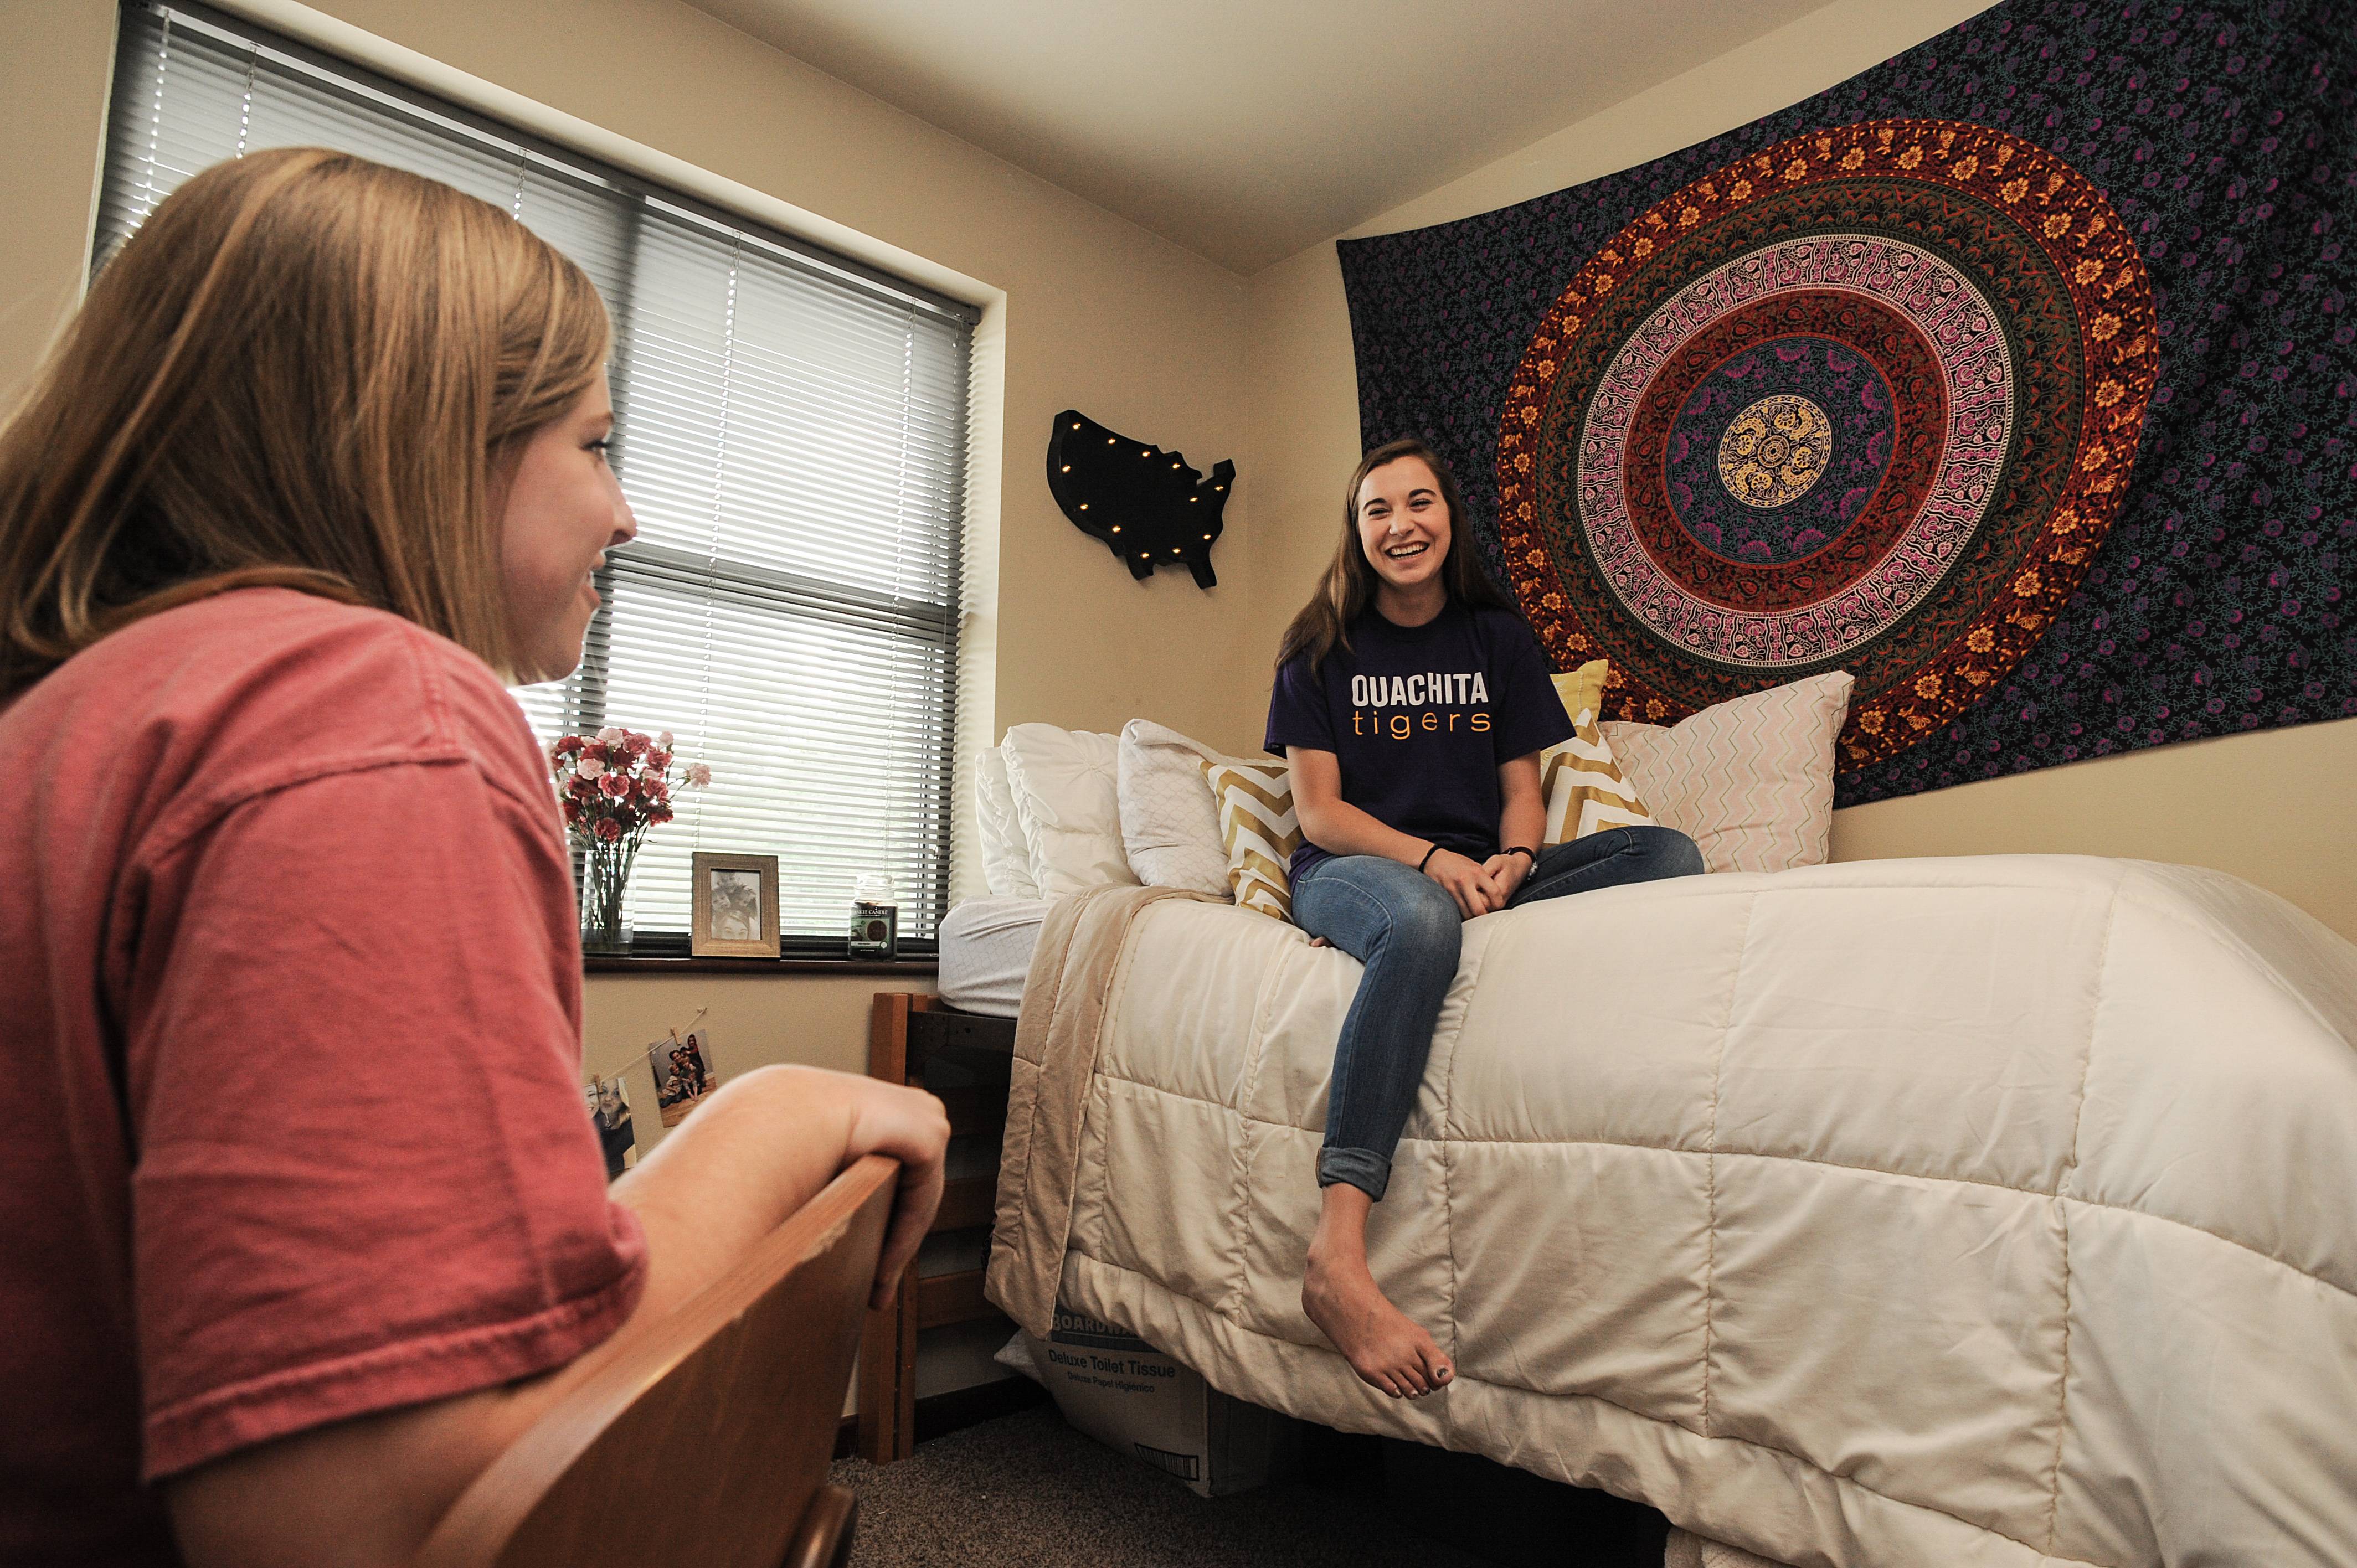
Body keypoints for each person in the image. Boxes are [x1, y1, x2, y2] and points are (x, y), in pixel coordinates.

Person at [0, 147, 949, 1568]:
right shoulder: (363, 710)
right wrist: (766, 1119)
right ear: (424, 433)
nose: (627, 515)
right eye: (598, 443)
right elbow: (375, 1517)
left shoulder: (85, 722)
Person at [1265, 438, 1705, 1401]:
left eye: (1420, 502)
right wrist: (1430, 861)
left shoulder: (1497, 641)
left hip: (1477, 873)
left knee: (1669, 854)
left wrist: (1510, 862)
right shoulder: (1317, 647)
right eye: (1377, 510)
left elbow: (1521, 790)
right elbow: (1320, 812)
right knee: (1422, 923)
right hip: (1356, 869)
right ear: (1357, 531)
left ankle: (1469, 904)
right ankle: (1337, 1252)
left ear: (1451, 519)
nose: (1400, 525)